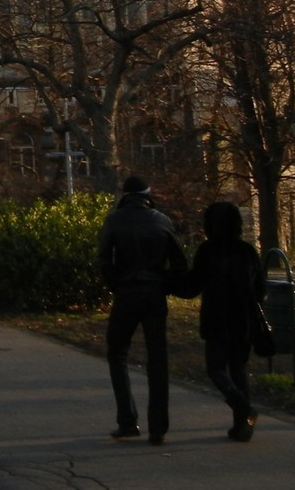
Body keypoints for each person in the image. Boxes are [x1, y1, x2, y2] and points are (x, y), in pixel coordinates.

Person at [97, 175, 188, 446]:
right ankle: (158, 427)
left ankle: (127, 421)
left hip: (126, 293)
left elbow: (104, 259)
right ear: (147, 195)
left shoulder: (115, 220)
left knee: (117, 353)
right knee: (157, 358)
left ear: (125, 196)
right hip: (154, 296)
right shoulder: (161, 220)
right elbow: (179, 261)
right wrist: (165, 284)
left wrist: (115, 284)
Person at [178, 202, 265, 442]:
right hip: (244, 318)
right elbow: (261, 289)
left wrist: (170, 283)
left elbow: (192, 285)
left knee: (215, 368)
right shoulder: (247, 251)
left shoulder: (208, 250)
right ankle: (242, 426)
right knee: (238, 368)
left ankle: (243, 408)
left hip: (217, 317)